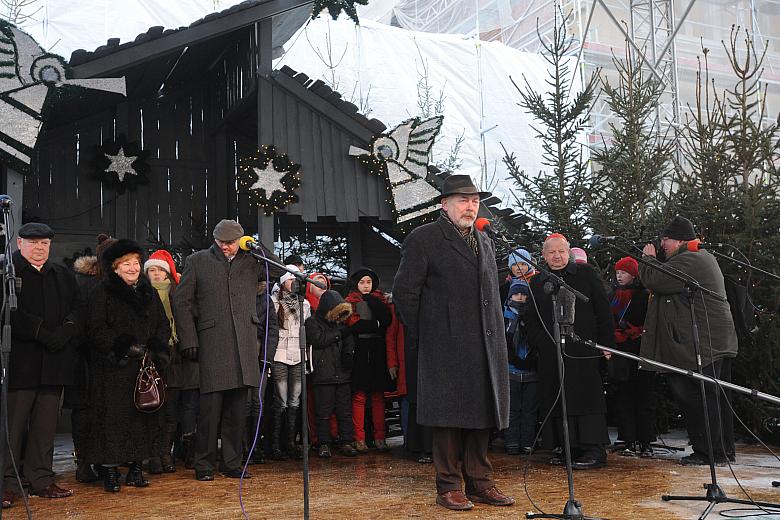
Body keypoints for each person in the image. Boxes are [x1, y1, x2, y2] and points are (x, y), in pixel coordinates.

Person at [393, 174, 513, 511]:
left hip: (485, 345)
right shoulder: (424, 239)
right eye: (463, 200)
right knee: (446, 419)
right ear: (444, 205)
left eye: (474, 200)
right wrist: (428, 331)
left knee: (482, 415)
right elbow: (404, 293)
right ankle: (448, 486)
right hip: (443, 344)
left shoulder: (485, 241)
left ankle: (480, 482)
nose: (471, 206)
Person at [174, 219, 282, 481]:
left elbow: (277, 272)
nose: (225, 246)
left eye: (231, 243)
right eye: (221, 242)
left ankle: (232, 463)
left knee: (238, 410)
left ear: (241, 241)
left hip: (244, 343)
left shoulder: (252, 261)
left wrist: (256, 247)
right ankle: (204, 464)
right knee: (209, 411)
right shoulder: (198, 261)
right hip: (213, 343)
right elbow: (182, 302)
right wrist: (189, 339)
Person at [640, 216, 738, 465]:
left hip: (702, 344)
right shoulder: (693, 257)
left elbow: (656, 280)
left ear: (680, 240)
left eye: (666, 240)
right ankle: (721, 450)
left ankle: (709, 452)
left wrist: (648, 258)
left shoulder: (691, 258)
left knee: (698, 396)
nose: (662, 244)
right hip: (710, 341)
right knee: (713, 396)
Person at [2, 223, 80, 509]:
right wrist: (41, 333)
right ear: (20, 243)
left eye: (45, 243)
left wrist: (66, 331)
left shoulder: (61, 274)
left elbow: (78, 307)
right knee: (12, 427)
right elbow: (9, 312)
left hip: (54, 364)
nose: (39, 248)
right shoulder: (8, 274)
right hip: (21, 363)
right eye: (33, 242)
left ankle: (41, 479)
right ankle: (7, 483)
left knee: (46, 428)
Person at [84, 239, 171, 493]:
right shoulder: (102, 292)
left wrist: (155, 347)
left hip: (143, 367)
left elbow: (162, 324)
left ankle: (135, 468)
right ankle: (110, 470)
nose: (133, 268)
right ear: (115, 267)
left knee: (141, 419)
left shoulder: (148, 291)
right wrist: (122, 347)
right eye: (126, 264)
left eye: (136, 263)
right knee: (112, 420)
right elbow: (96, 329)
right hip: (114, 368)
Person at [524, 233, 614, 470]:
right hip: (551, 350)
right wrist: (540, 342)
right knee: (558, 395)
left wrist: (606, 343)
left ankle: (593, 449)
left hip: (583, 349)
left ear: (569, 253)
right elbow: (530, 318)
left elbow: (603, 311)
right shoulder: (537, 282)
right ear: (543, 256)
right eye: (551, 252)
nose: (557, 256)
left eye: (561, 251)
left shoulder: (586, 275)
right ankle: (567, 447)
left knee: (585, 397)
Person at [68, 233, 117, 484]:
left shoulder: (120, 284)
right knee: (85, 409)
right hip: (85, 356)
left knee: (106, 411)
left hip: (109, 357)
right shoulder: (84, 281)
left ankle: (105, 460)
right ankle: (83, 461)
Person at [144, 249, 196, 474]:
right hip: (151, 358)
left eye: (160, 270)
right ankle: (152, 454)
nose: (156, 275)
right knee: (151, 407)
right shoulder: (142, 295)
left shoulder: (178, 293)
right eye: (152, 270)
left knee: (171, 410)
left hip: (175, 359)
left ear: (168, 273)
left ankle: (165, 452)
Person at [609, 256, 654, 457]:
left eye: (624, 272)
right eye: (617, 272)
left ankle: (645, 440)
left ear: (633, 274)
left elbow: (649, 321)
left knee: (643, 395)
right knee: (623, 395)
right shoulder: (613, 295)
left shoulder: (643, 295)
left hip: (639, 349)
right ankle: (626, 438)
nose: (619, 276)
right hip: (620, 351)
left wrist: (635, 330)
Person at [305, 290, 359, 458]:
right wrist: (339, 334)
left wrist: (348, 355)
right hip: (323, 374)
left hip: (342, 374)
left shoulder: (341, 324)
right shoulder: (312, 322)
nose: (338, 317)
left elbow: (348, 339)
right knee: (323, 413)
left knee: (344, 411)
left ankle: (347, 442)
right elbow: (319, 340)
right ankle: (324, 443)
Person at [346, 267, 393, 453]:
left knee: (378, 395)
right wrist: (377, 324)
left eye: (369, 282)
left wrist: (375, 322)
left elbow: (387, 320)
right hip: (360, 351)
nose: (366, 286)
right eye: (362, 282)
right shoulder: (350, 301)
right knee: (359, 395)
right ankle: (360, 438)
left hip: (378, 351)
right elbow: (354, 325)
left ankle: (380, 437)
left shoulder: (380, 299)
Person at [269, 265, 310, 460]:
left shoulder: (304, 304)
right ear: (283, 281)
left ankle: (291, 443)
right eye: (290, 280)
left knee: (295, 400)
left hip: (298, 355)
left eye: (296, 280)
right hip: (279, 355)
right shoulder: (274, 301)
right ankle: (275, 444)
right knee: (281, 400)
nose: (294, 283)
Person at [503, 279, 538, 456]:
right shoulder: (505, 317)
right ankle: (511, 441)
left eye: (523, 294)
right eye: (516, 293)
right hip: (511, 370)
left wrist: (531, 359)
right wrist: (514, 359)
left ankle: (527, 441)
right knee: (512, 409)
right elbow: (503, 342)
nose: (519, 297)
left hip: (531, 371)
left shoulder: (533, 316)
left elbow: (536, 340)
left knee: (529, 410)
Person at [245, 279, 278, 465]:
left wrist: (267, 356)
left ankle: (254, 446)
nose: (264, 283)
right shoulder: (243, 296)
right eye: (260, 280)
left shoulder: (267, 300)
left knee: (258, 401)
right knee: (244, 402)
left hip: (261, 355)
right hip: (243, 353)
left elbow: (272, 330)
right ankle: (242, 446)